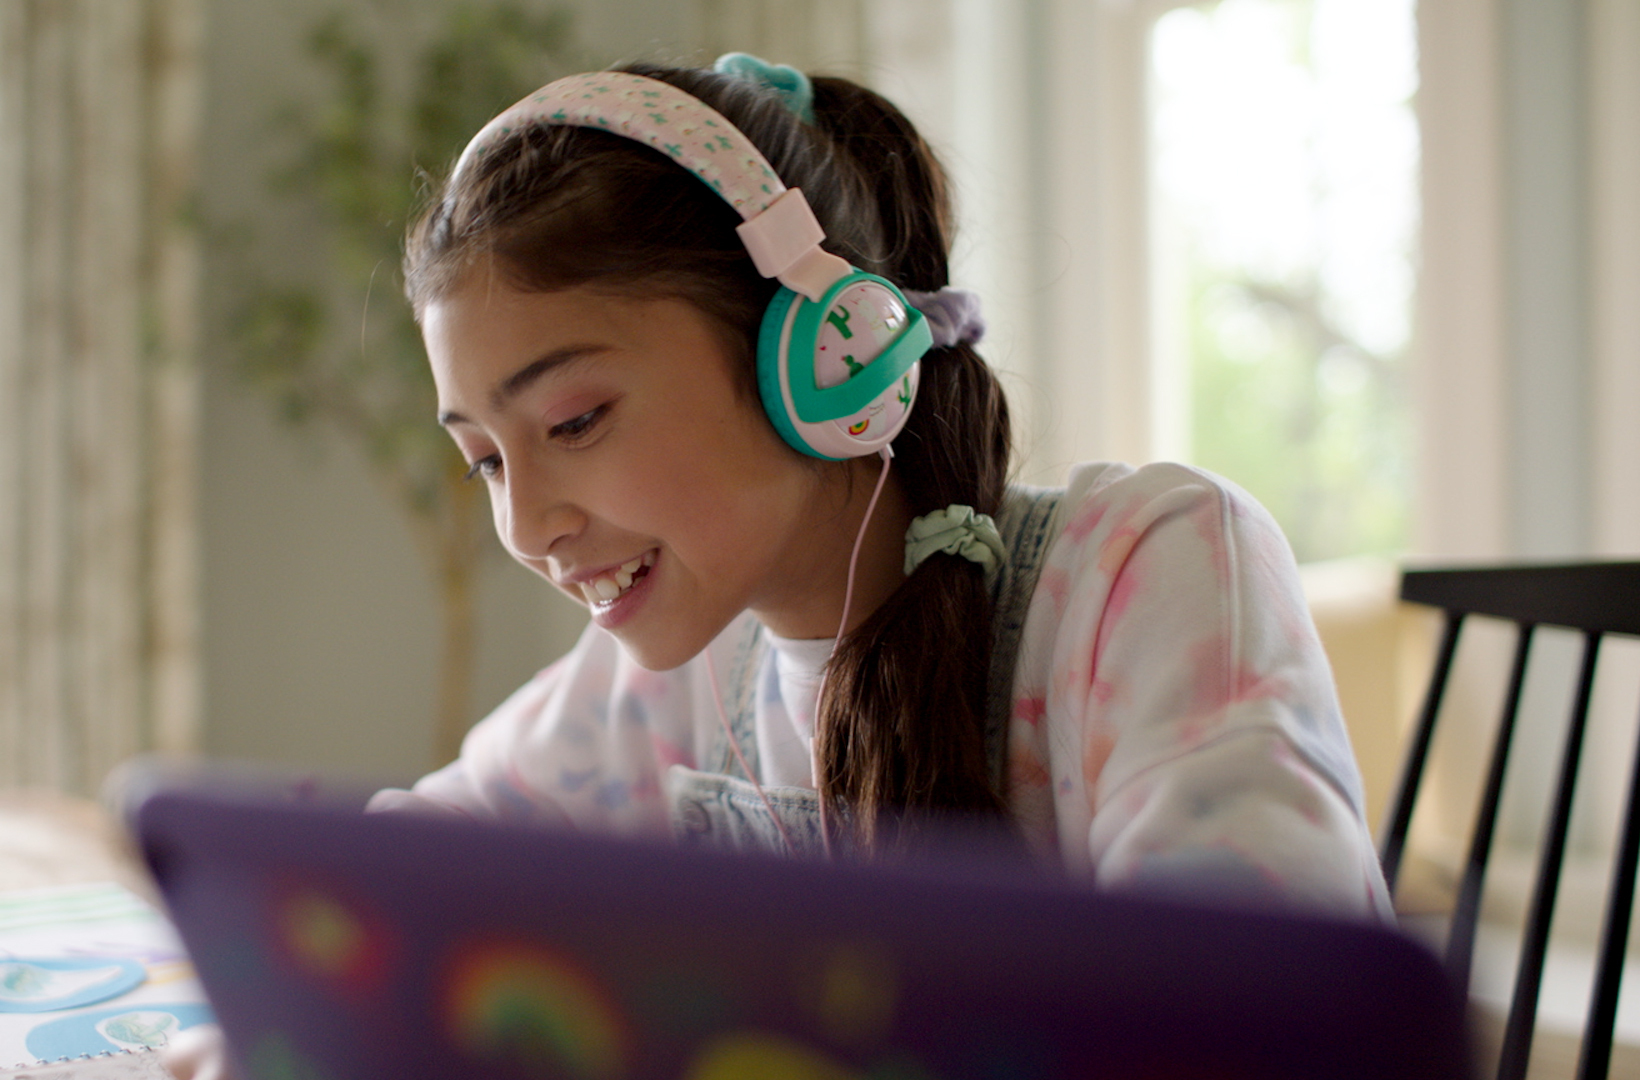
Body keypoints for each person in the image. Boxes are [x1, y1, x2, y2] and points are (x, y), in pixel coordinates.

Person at [165, 51, 1390, 1080]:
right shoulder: (683, 661)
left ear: (823, 359)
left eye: (577, 421)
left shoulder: (1148, 571)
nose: (526, 525)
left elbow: (1273, 1023)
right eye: (487, 458)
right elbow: (413, 870)